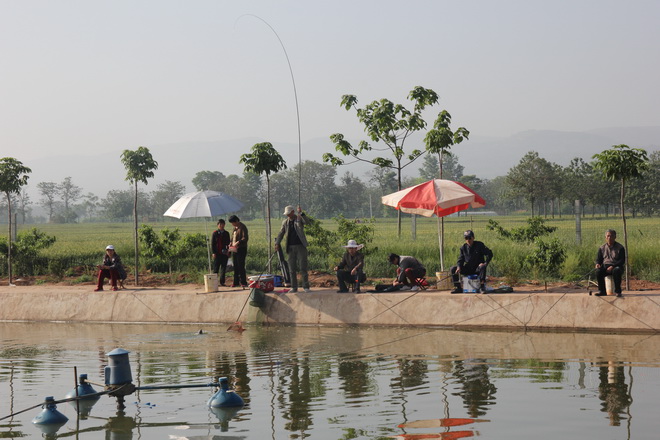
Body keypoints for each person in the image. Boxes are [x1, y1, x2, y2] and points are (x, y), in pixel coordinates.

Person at [275, 205, 312, 293]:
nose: (287, 215)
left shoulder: (299, 219)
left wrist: (301, 213)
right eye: (286, 214)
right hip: (290, 247)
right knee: (292, 268)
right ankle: (294, 287)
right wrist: (277, 243)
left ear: (292, 212)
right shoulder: (285, 222)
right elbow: (281, 233)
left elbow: (307, 222)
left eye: (289, 213)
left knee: (303, 267)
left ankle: (305, 286)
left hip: (300, 246)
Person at [450, 230, 493, 294]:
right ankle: (458, 287)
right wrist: (459, 267)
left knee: (482, 267)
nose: (468, 240)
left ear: (473, 238)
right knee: (453, 269)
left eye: (469, 238)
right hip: (468, 268)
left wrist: (485, 263)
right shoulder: (463, 247)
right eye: (466, 238)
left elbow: (490, 254)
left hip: (477, 268)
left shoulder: (479, 245)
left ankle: (482, 287)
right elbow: (460, 259)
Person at [595, 229, 625, 297]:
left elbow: (622, 260)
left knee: (617, 270)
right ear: (605, 237)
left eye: (611, 236)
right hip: (605, 266)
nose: (609, 238)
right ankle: (602, 291)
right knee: (598, 272)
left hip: (616, 266)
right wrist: (598, 264)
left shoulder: (620, 248)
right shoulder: (602, 248)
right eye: (608, 236)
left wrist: (613, 266)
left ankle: (618, 291)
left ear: (615, 237)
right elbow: (599, 259)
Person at [228, 215, 249, 288]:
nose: (232, 224)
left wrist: (238, 242)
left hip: (241, 249)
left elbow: (245, 238)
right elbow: (232, 237)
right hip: (234, 249)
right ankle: (236, 282)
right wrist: (230, 243)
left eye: (233, 222)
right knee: (235, 266)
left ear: (236, 221)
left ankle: (243, 282)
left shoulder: (242, 227)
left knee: (241, 265)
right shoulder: (235, 228)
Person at [211, 219, 231, 286]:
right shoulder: (215, 233)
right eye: (219, 224)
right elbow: (213, 244)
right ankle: (214, 282)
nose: (221, 225)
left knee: (223, 268)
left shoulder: (226, 233)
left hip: (224, 253)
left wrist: (229, 252)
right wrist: (213, 252)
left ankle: (222, 282)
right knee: (216, 268)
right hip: (217, 253)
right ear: (217, 225)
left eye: (222, 224)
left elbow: (228, 243)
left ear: (224, 225)